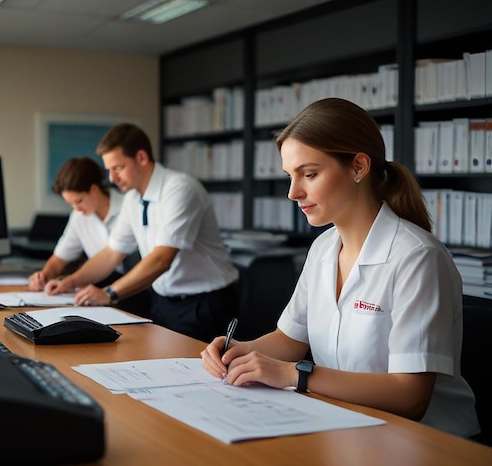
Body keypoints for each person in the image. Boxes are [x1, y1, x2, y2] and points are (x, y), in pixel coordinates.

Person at [201, 97, 480, 439]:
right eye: (290, 176)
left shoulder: (417, 257)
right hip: (346, 425)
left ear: (359, 167)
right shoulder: (322, 248)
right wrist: (240, 351)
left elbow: (410, 397)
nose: (293, 192)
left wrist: (294, 375)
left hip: (428, 442)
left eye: (310, 174)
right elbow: (289, 339)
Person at [45, 123, 239, 342]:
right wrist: (70, 282)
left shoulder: (180, 189)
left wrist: (109, 293)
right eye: (109, 169)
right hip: (163, 302)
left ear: (141, 157)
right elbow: (111, 253)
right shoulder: (133, 199)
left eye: (117, 168)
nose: (111, 178)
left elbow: (161, 259)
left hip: (203, 303)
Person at [28, 156, 149, 316]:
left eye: (79, 201)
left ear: (94, 189)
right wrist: (44, 276)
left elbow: (115, 257)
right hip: (101, 293)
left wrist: (71, 282)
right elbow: (60, 258)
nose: (76, 209)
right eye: (71, 204)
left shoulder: (129, 207)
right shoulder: (79, 216)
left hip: (137, 291)